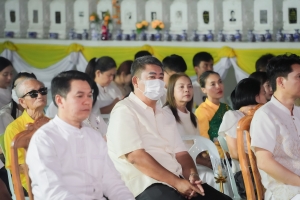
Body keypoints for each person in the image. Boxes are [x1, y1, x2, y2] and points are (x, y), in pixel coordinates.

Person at [107, 56, 232, 200]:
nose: (158, 82)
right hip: (145, 182)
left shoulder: (165, 113)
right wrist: (177, 182)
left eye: (161, 77)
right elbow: (136, 157)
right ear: (136, 81)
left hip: (176, 178)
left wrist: (192, 174)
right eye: (152, 77)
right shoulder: (125, 110)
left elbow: (182, 154)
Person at [26, 70, 134, 200]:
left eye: (89, 95)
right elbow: (54, 194)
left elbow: (114, 184)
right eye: (79, 96)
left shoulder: (94, 137)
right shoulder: (44, 139)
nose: (87, 101)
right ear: (60, 100)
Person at [250, 54, 300, 200]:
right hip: (284, 190)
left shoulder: (298, 112)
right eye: (298, 76)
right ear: (281, 82)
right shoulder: (265, 115)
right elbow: (264, 162)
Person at [163, 73, 217, 189]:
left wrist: (207, 158)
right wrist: (204, 162)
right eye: (181, 87)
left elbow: (197, 147)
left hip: (194, 164)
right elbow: (176, 150)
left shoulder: (192, 117)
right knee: (210, 176)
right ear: (171, 90)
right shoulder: (166, 114)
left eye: (189, 86)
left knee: (221, 172)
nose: (187, 90)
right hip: (178, 166)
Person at [218, 78, 267, 198]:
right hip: (247, 172)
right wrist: (262, 160)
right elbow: (235, 153)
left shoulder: (265, 114)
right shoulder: (233, 116)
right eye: (264, 94)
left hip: (265, 167)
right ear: (256, 96)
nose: (267, 98)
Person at [4, 78, 47, 191]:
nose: (40, 95)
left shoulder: (52, 123)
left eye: (43, 91)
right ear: (22, 102)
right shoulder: (14, 129)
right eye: (33, 94)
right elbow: (18, 166)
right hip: (30, 183)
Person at [195, 71, 231, 158]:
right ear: (203, 89)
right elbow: (205, 142)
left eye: (220, 82)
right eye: (213, 84)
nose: (218, 86)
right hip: (217, 157)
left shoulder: (226, 107)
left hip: (233, 152)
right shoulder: (202, 111)